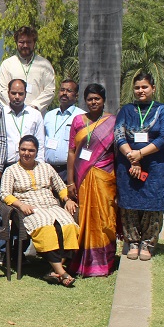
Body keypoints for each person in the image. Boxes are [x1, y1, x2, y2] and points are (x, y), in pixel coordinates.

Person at [0, 135, 79, 287]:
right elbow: (4, 193)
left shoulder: (45, 167)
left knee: (70, 226)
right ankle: (62, 272)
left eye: (31, 150)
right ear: (18, 150)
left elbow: (60, 187)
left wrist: (67, 199)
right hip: (30, 209)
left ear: (36, 152)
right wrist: (20, 205)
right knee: (46, 229)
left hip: (51, 206)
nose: (26, 153)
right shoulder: (11, 170)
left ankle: (53, 270)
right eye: (23, 149)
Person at [114, 72, 164, 262]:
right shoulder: (127, 110)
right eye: (137, 87)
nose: (140, 90)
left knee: (152, 205)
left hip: (156, 166)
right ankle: (132, 241)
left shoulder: (162, 110)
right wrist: (133, 158)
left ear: (153, 89)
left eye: (144, 87)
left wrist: (140, 154)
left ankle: (147, 243)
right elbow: (118, 134)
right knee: (129, 204)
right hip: (128, 164)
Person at [66, 84, 118, 277]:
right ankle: (84, 261)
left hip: (105, 177)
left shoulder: (112, 121)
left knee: (105, 218)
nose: (93, 102)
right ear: (84, 101)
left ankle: (104, 261)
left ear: (103, 100)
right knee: (85, 219)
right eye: (90, 99)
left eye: (97, 98)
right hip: (82, 177)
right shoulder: (79, 121)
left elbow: (117, 150)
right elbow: (71, 151)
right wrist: (70, 181)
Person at [0, 26, 56, 114]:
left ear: (34, 43)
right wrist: (16, 107)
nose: (25, 45)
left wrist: (34, 107)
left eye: (29, 42)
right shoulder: (7, 64)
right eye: (21, 42)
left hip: (37, 115)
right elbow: (2, 90)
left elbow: (50, 90)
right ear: (16, 43)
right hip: (12, 116)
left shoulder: (44, 65)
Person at [44, 79, 85, 181]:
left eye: (69, 91)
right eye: (62, 90)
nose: (64, 93)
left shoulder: (81, 116)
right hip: (48, 169)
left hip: (69, 170)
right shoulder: (49, 115)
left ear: (76, 95)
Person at [3, 79, 45, 168]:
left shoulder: (35, 115)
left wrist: (40, 166)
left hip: (29, 166)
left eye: (21, 93)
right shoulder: (1, 114)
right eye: (13, 93)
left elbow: (40, 143)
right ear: (8, 93)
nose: (17, 97)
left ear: (25, 94)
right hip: (6, 165)